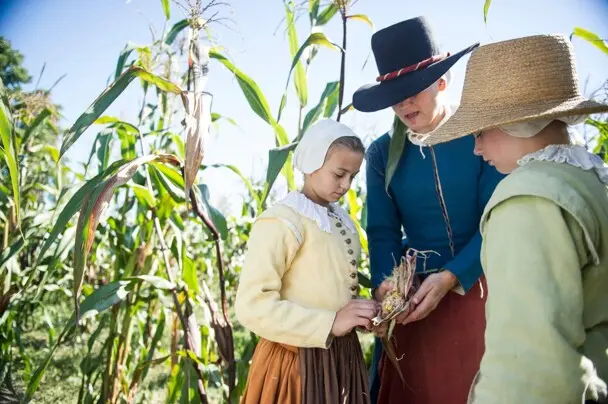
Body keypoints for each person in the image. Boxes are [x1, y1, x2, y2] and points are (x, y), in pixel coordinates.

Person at [423, 33, 608, 404]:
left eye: (479, 131)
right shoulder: (592, 179)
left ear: (515, 123)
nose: (475, 148)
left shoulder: (524, 199)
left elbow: (530, 370)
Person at [351, 16, 505, 404]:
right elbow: (383, 232)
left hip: (487, 287)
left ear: (442, 81)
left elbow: (497, 217)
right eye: (395, 95)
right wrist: (389, 287)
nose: (403, 103)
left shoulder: (481, 136)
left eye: (414, 89)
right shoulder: (381, 154)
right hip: (416, 305)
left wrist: (454, 276)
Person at [235, 118, 378, 404]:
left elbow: (331, 285)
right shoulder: (283, 221)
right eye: (339, 174)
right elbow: (251, 305)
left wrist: (357, 315)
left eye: (353, 176)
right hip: (296, 364)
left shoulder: (344, 223)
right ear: (312, 163)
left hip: (340, 361)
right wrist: (329, 322)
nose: (346, 184)